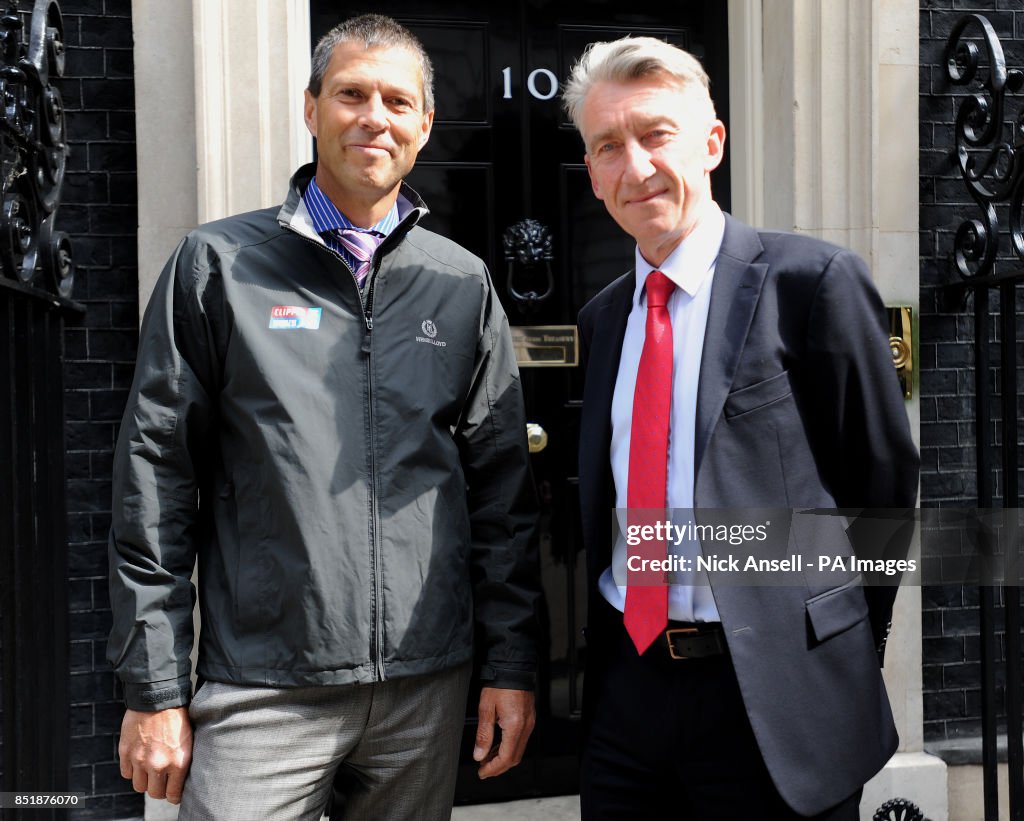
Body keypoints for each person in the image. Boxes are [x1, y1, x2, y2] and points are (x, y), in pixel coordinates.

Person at [107, 14, 538, 821]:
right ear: (311, 109)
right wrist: (155, 686)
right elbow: (154, 484)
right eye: (351, 94)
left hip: (425, 687)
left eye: (398, 101)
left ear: (425, 124)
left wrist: (509, 664)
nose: (375, 116)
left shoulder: (462, 282)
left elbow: (502, 497)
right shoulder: (216, 267)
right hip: (262, 684)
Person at [563, 36, 919, 819]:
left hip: (773, 698)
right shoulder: (603, 321)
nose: (636, 166)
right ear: (591, 173)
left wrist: (847, 640)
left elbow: (882, 487)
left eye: (656, 134)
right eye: (608, 147)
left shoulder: (812, 283)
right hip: (630, 695)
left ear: (712, 142)